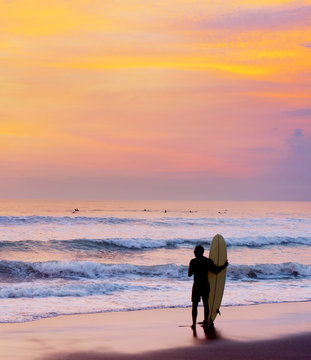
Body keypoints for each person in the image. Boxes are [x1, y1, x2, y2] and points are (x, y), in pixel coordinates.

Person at [188, 245, 228, 329]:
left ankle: (194, 323)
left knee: (194, 305)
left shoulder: (193, 261)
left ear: (197, 252)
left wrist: (194, 268)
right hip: (205, 285)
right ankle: (206, 321)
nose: (194, 252)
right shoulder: (207, 261)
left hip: (197, 285)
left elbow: (189, 274)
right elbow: (216, 270)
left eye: (195, 251)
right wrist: (224, 265)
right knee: (206, 304)